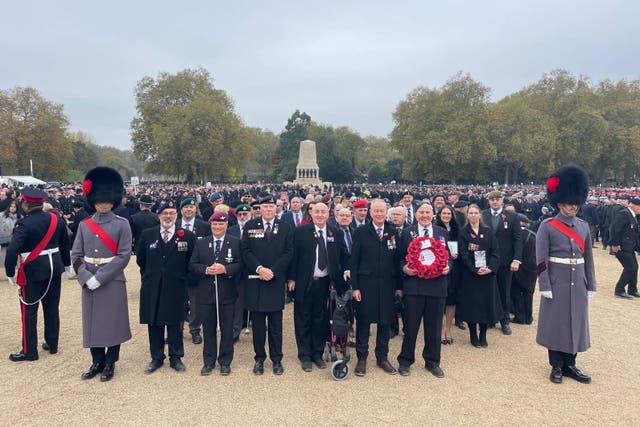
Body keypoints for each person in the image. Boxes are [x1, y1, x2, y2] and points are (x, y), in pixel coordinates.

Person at [71, 167, 133, 382]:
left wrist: (100, 277)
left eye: (106, 201)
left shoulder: (122, 225)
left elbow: (124, 255)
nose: (103, 204)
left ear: (113, 201)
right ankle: (96, 361)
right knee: (93, 322)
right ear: (93, 201)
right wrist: (86, 277)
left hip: (112, 280)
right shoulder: (84, 225)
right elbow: (76, 254)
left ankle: (110, 362)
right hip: (89, 279)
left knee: (113, 323)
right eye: (99, 201)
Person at [536, 165, 596, 384]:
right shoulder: (548, 226)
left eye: (575, 203)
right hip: (557, 282)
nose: (573, 207)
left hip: (578, 282)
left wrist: (591, 284)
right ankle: (557, 365)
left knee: (576, 323)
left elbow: (588, 258)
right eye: (569, 203)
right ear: (559, 203)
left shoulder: (583, 226)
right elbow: (541, 260)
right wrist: (544, 285)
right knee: (556, 324)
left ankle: (571, 364)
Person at [4, 188, 71, 361]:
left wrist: (10, 271)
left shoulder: (24, 224)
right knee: (51, 308)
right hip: (54, 268)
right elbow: (65, 243)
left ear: (25, 204)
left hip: (33, 270)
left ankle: (29, 351)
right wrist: (67, 264)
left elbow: (13, 250)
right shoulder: (56, 220)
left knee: (29, 310)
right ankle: (52, 344)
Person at [287, 202, 350, 372]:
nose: (320, 215)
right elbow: (293, 257)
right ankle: (305, 355)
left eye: (323, 212)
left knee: (320, 319)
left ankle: (317, 353)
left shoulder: (335, 232)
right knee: (303, 318)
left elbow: (344, 256)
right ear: (311, 214)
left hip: (324, 283)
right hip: (304, 282)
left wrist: (347, 270)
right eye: (317, 212)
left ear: (328, 214)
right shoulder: (301, 232)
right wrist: (291, 278)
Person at [136, 202, 195, 374]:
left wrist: (184, 280)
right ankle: (156, 357)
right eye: (164, 213)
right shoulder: (148, 235)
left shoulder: (187, 236)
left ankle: (176, 357)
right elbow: (141, 259)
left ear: (176, 215)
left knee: (175, 322)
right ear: (158, 216)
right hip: (152, 285)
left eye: (171, 213)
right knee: (154, 322)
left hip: (176, 286)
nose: (168, 216)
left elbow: (191, 261)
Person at [241, 195, 294, 375]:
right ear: (260, 209)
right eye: (265, 207)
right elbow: (245, 251)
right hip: (256, 281)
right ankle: (259, 359)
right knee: (257, 325)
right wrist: (259, 268)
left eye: (272, 206)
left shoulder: (286, 227)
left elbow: (289, 252)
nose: (269, 209)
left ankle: (277, 359)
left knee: (275, 325)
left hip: (275, 280)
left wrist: (273, 271)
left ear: (276, 208)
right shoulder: (250, 226)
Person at [397, 202, 451, 378]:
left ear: (433, 214)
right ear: (416, 214)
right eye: (421, 212)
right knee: (411, 327)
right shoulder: (406, 233)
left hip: (437, 287)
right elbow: (398, 259)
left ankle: (432, 361)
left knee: (434, 328)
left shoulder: (442, 233)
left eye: (428, 212)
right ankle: (405, 360)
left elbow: (449, 257)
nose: (425, 215)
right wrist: (405, 269)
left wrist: (448, 267)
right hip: (414, 286)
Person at [350, 199, 401, 376]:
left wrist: (399, 286)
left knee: (385, 322)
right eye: (376, 211)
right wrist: (355, 287)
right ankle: (362, 358)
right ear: (370, 213)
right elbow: (354, 261)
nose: (379, 214)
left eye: (382, 211)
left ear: (386, 212)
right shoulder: (361, 232)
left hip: (387, 284)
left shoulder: (393, 231)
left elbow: (397, 261)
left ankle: (382, 357)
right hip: (366, 284)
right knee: (363, 322)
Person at [190, 212, 242, 376]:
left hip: (227, 291)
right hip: (206, 292)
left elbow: (241, 264)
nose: (218, 227)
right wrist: (206, 270)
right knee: (208, 328)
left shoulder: (235, 242)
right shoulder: (201, 243)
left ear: (226, 225)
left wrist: (225, 269)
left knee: (227, 329)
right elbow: (193, 264)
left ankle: (225, 361)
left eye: (221, 224)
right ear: (210, 225)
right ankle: (209, 361)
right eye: (215, 224)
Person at [457, 204, 502, 348]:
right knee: (472, 306)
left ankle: (483, 334)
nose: (473, 215)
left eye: (476, 213)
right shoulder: (464, 232)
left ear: (480, 215)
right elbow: (463, 255)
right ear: (467, 215)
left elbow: (495, 251)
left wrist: (490, 268)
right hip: (471, 276)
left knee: (485, 305)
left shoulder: (488, 231)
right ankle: (473, 335)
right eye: (471, 213)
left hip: (487, 275)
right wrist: (475, 269)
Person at [482, 190, 522, 335]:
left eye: (497, 199)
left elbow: (518, 239)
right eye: (492, 199)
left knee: (505, 290)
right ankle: (489, 318)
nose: (495, 201)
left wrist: (516, 259)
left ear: (502, 200)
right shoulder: (483, 215)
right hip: (487, 259)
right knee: (488, 290)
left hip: (505, 260)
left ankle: (504, 320)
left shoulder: (512, 216)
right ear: (488, 201)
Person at [179, 197, 212, 344]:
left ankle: (195, 330)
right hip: (177, 272)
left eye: (191, 208)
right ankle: (176, 330)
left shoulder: (204, 226)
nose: (188, 210)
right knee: (177, 302)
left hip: (196, 272)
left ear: (195, 209)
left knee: (196, 304)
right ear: (181, 210)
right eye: (186, 207)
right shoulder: (174, 224)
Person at [435, 205, 460, 345]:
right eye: (443, 213)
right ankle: (438, 331)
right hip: (439, 268)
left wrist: (457, 255)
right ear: (439, 215)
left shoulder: (457, 229)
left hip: (454, 268)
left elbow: (462, 246)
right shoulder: (434, 229)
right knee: (439, 300)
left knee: (451, 300)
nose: (446, 215)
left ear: (452, 215)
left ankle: (448, 329)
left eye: (448, 213)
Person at [609, 196, 640, 299]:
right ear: (633, 205)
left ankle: (632, 289)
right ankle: (619, 290)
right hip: (621, 247)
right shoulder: (624, 213)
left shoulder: (632, 215)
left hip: (629, 247)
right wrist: (615, 244)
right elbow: (614, 229)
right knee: (630, 267)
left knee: (634, 267)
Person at [0, 200, 22, 269]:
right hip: (4, 241)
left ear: (17, 208)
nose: (12, 208)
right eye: (11, 206)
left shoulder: (20, 217)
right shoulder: (1, 215)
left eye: (14, 207)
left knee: (14, 263)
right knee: (3, 261)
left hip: (15, 243)